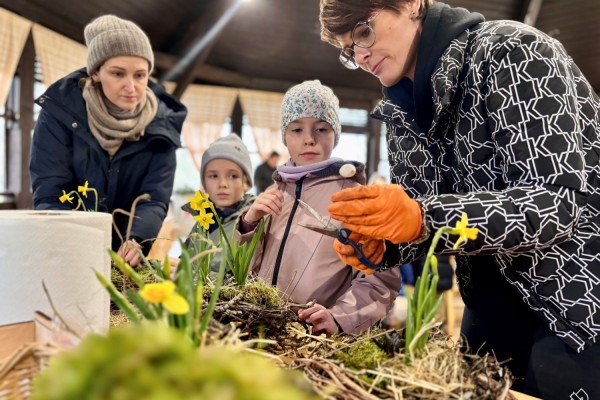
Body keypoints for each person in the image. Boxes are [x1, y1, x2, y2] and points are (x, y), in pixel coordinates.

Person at [319, 1, 600, 398]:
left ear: (412, 4)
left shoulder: (513, 52)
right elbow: (421, 224)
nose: (360, 55)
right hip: (488, 307)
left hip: (575, 305)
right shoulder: (399, 115)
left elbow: (556, 204)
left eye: (363, 32)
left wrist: (422, 216)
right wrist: (381, 243)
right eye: (349, 51)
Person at [238, 80, 400, 336]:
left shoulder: (354, 200)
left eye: (322, 129)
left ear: (336, 134)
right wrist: (249, 225)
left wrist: (339, 319)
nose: (309, 139)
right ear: (284, 136)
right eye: (297, 129)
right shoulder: (274, 194)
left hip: (315, 341)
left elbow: (379, 280)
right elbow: (244, 272)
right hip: (261, 332)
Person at [30, 15, 187, 267]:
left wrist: (137, 240)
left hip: (127, 261)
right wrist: (73, 246)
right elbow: (50, 190)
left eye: (140, 75)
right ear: (95, 73)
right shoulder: (58, 114)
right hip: (70, 252)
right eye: (118, 73)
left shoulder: (163, 126)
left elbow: (154, 197)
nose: (131, 86)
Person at [180, 133, 255, 273]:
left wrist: (188, 275)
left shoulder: (250, 224)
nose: (222, 184)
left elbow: (242, 278)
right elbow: (186, 259)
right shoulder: (202, 220)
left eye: (233, 176)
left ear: (246, 183)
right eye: (213, 176)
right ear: (204, 183)